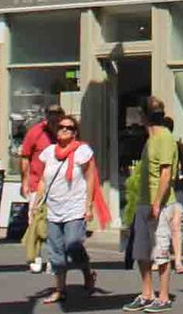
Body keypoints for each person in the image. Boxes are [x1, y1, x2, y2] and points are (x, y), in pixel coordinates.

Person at [35, 115, 109, 306]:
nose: (65, 130)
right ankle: (60, 290)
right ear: (56, 130)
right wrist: (36, 202)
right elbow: (44, 179)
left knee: (73, 244)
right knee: (56, 252)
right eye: (61, 127)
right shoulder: (49, 152)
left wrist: (88, 206)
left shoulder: (82, 151)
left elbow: (91, 177)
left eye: (69, 127)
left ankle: (87, 273)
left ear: (75, 132)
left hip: (75, 207)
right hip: (53, 208)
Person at [125, 100, 178, 311]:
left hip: (161, 204)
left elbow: (166, 173)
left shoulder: (165, 137)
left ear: (144, 117)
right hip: (143, 202)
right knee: (141, 252)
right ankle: (147, 294)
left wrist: (157, 203)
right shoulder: (151, 139)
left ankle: (163, 297)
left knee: (161, 252)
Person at [21, 103, 63, 272]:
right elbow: (25, 157)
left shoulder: (65, 131)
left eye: (58, 113)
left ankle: (53, 258)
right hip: (37, 182)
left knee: (55, 222)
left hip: (59, 185)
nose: (54, 116)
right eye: (51, 113)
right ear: (46, 115)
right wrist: (24, 181)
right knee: (36, 221)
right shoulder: (35, 132)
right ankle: (36, 256)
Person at [162, 114, 183, 275]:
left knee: (176, 223)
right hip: (162, 187)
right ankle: (162, 258)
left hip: (177, 185)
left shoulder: (178, 145)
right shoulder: (154, 145)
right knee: (162, 224)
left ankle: (178, 260)